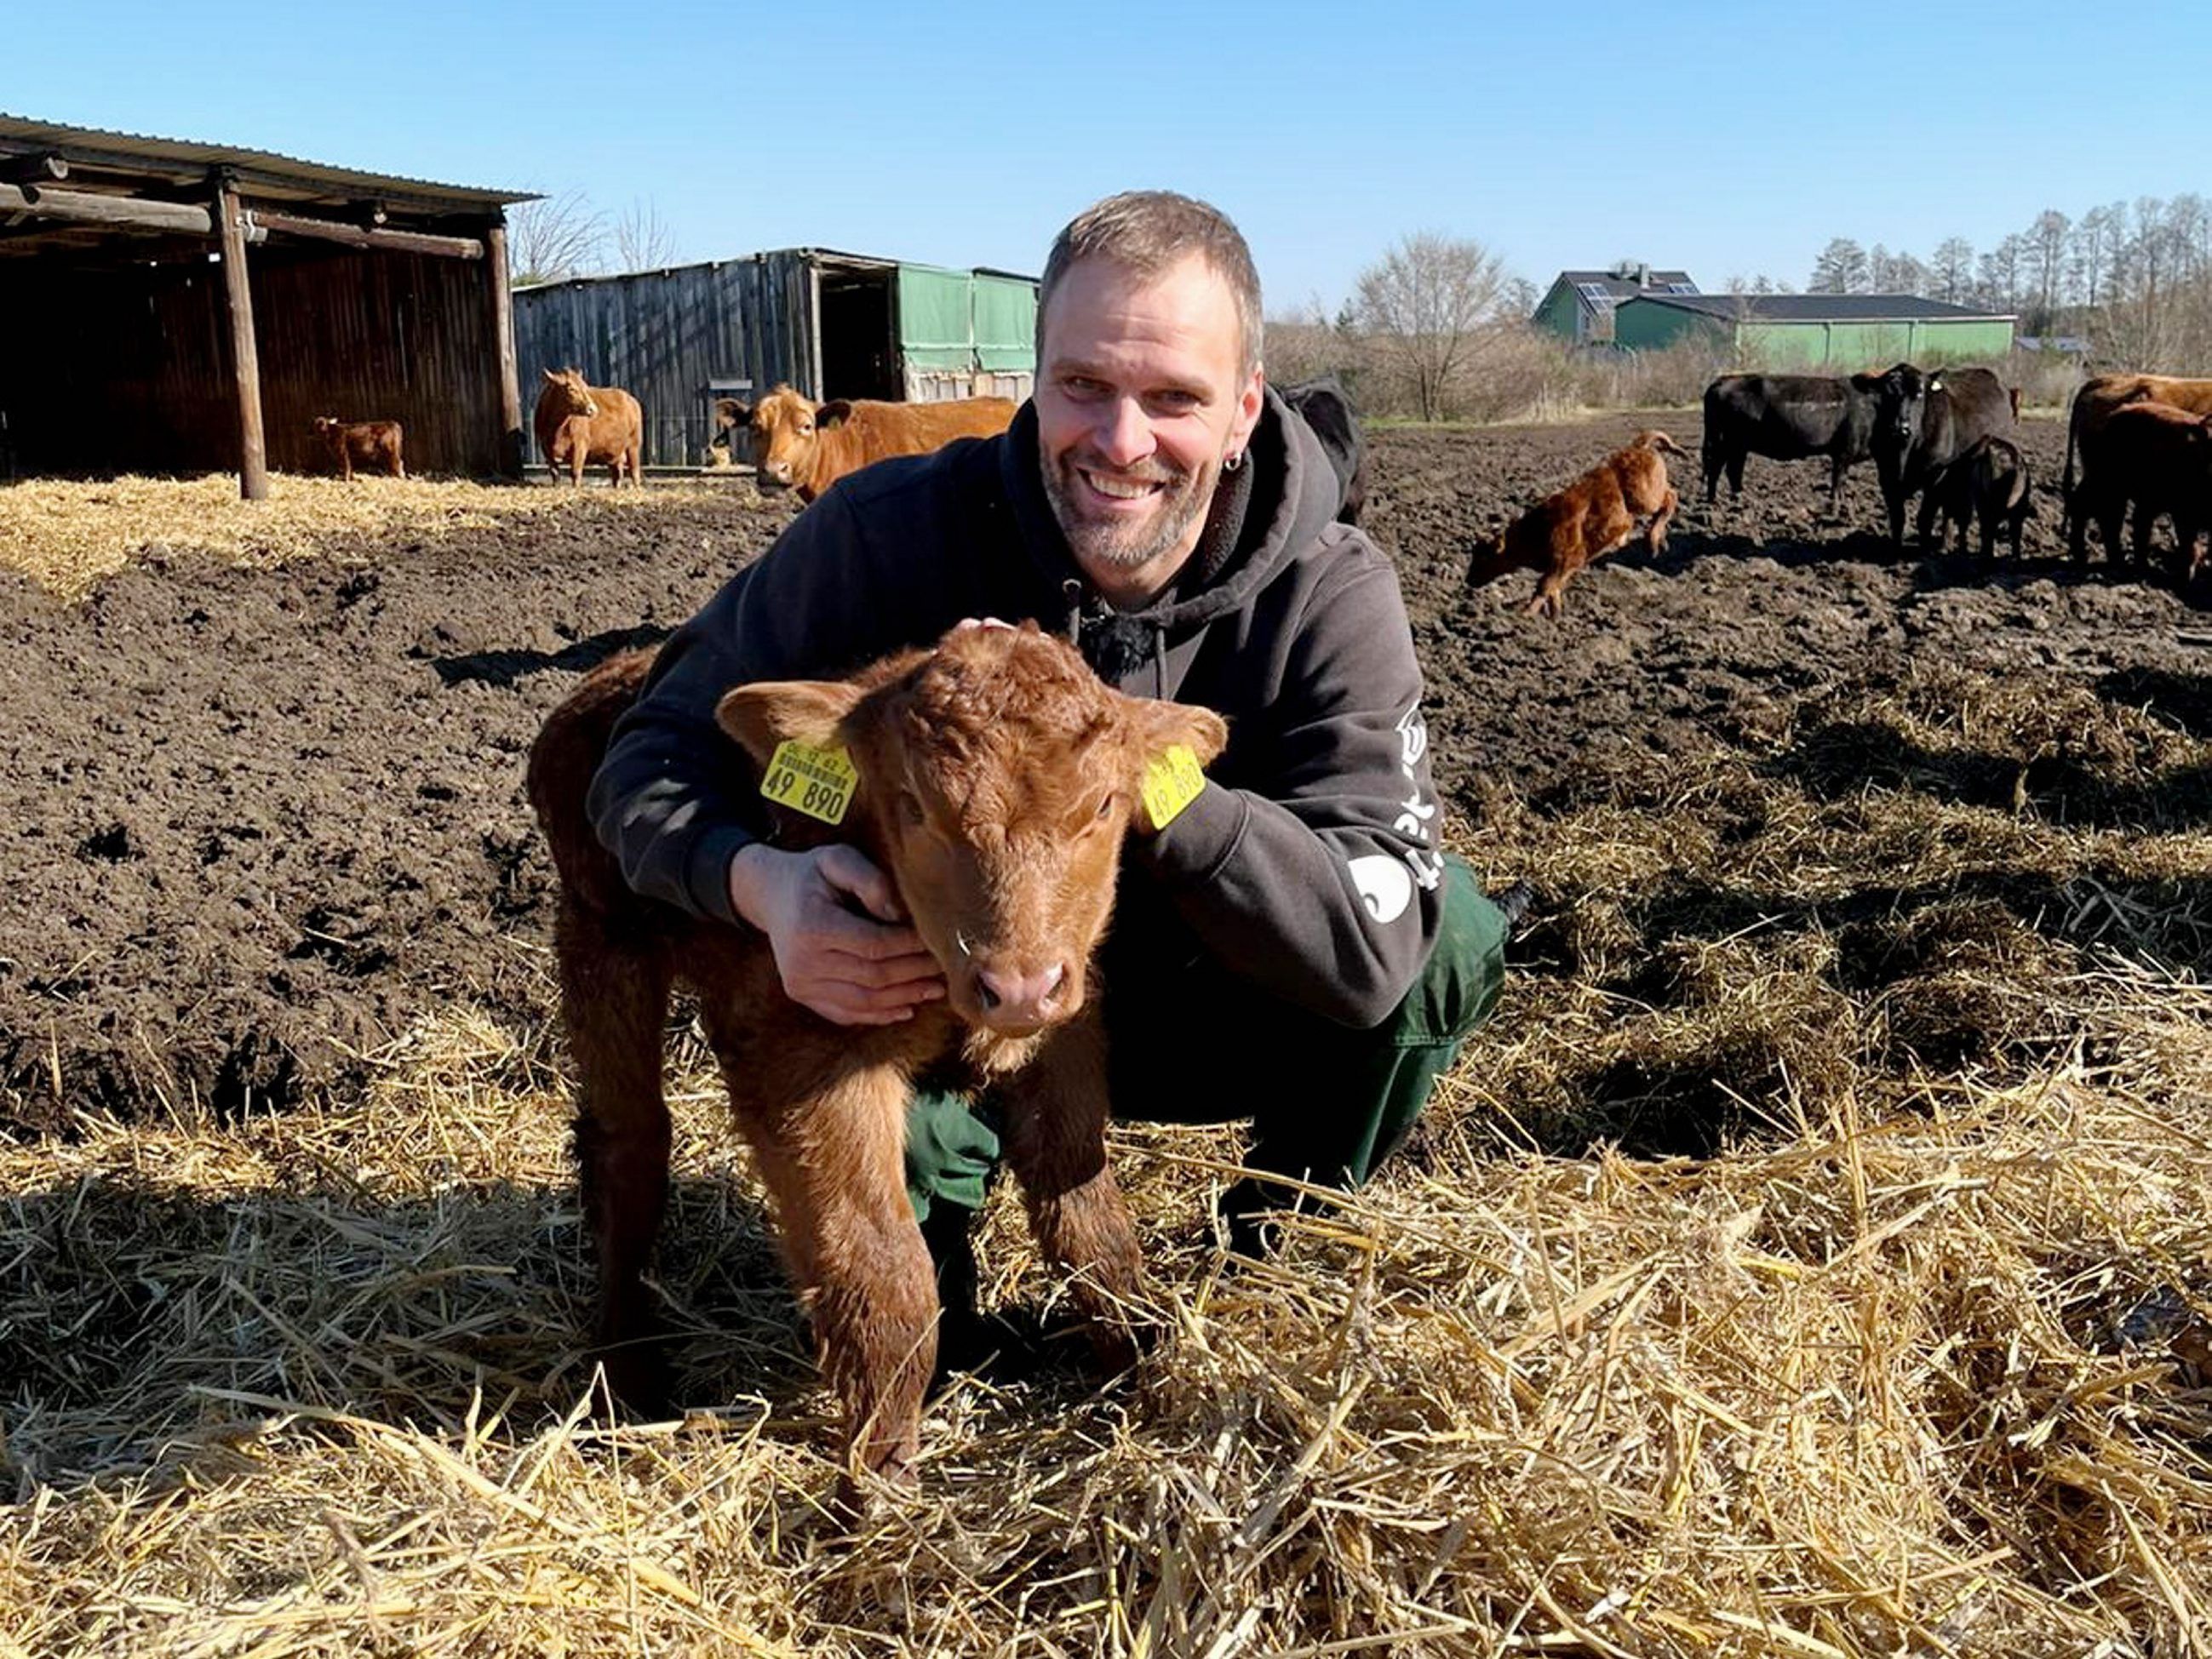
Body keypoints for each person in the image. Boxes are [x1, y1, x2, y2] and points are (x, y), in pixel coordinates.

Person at [587, 190, 1512, 1299]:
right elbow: (649, 754)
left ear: (1242, 411)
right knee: (894, 1296)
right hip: (942, 983)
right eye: (1083, 386)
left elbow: (1376, 949)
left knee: (1446, 938)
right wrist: (762, 887)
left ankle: (1278, 1247)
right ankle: (943, 1293)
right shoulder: (882, 535)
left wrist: (1147, 778)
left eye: (1174, 397)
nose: (1121, 443)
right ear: (1036, 379)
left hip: (1202, 996)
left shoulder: (1329, 593)